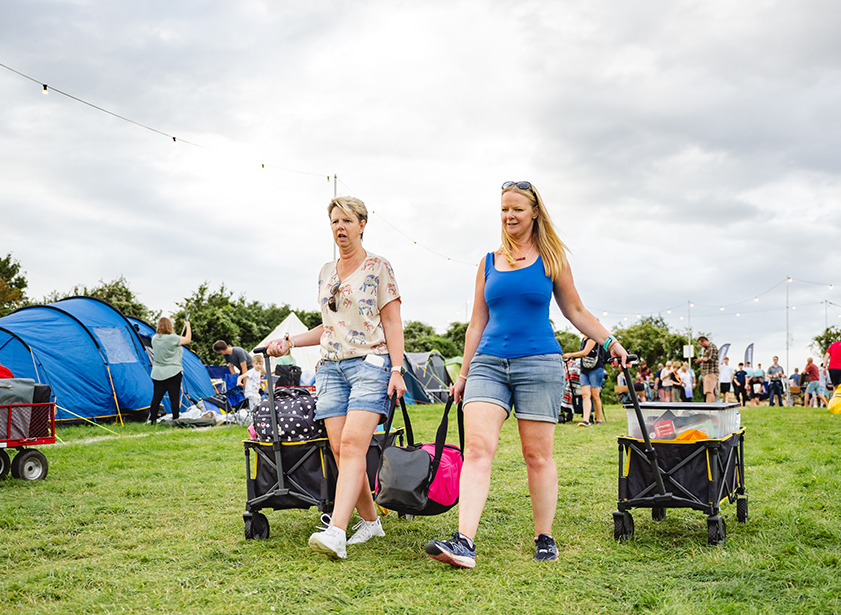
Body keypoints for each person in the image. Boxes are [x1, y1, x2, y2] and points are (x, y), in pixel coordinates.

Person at [425, 180, 627, 569]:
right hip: (488, 364)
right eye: (503, 209)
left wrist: (610, 341)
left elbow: (577, 312)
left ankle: (544, 537)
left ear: (534, 212)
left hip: (539, 364)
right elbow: (476, 323)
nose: (509, 216)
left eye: (517, 209)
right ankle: (464, 541)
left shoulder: (552, 260)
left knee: (537, 456)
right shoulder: (488, 261)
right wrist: (463, 375)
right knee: (478, 450)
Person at [263, 196, 406, 560]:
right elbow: (329, 327)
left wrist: (396, 369)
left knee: (355, 446)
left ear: (362, 224)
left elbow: (391, 322)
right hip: (331, 367)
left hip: (371, 364)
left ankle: (337, 532)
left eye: (347, 220)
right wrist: (290, 340)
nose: (340, 227)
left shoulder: (378, 267)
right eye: (334, 222)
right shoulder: (326, 271)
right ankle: (371, 522)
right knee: (341, 451)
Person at [148, 316, 191, 424]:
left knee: (156, 398)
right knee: (174, 398)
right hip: (173, 372)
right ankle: (175, 419)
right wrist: (188, 327)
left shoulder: (154, 338)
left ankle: (152, 420)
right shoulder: (172, 338)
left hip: (157, 373)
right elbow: (188, 340)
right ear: (169, 326)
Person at [562, 335, 607, 426]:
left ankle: (598, 419)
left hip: (596, 368)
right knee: (585, 395)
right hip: (584, 369)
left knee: (595, 395)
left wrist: (571, 354)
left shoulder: (593, 338)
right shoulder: (584, 339)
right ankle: (585, 420)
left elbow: (585, 352)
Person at [695, 336, 720, 403]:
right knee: (709, 391)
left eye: (701, 344)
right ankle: (710, 406)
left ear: (704, 341)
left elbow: (711, 359)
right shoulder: (706, 349)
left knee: (709, 391)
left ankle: (710, 406)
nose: (701, 346)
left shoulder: (712, 347)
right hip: (707, 373)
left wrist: (701, 359)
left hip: (710, 372)